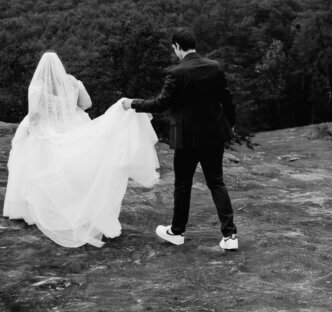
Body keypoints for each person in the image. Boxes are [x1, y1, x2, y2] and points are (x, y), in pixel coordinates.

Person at [2, 51, 159, 248]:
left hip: (47, 128)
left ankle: (40, 209)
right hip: (72, 124)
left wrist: (32, 133)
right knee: (74, 168)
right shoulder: (73, 81)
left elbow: (33, 115)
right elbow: (86, 104)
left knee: (36, 165)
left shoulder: (38, 86)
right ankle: (75, 207)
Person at [122, 28, 238, 250]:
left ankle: (177, 232)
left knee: (183, 185)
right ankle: (230, 236)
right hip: (214, 135)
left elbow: (160, 104)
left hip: (186, 139)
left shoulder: (176, 73)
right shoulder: (214, 67)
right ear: (193, 44)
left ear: (176, 46)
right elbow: (227, 98)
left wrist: (133, 103)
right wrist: (229, 123)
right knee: (216, 182)